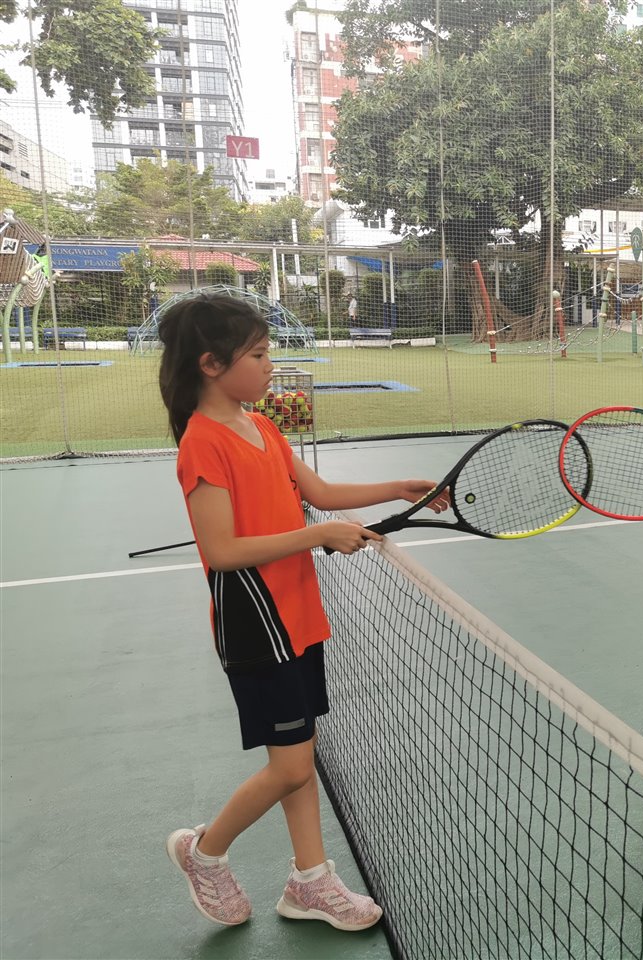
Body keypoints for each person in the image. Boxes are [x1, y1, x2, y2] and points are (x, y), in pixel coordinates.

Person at [157, 293, 447, 927]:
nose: (270, 365)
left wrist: (398, 489)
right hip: (256, 623)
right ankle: (205, 853)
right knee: (290, 766)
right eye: (259, 355)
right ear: (211, 364)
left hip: (298, 613)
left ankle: (310, 881)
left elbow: (318, 491)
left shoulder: (260, 426)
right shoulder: (203, 444)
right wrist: (318, 535)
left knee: (298, 757)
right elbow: (222, 550)